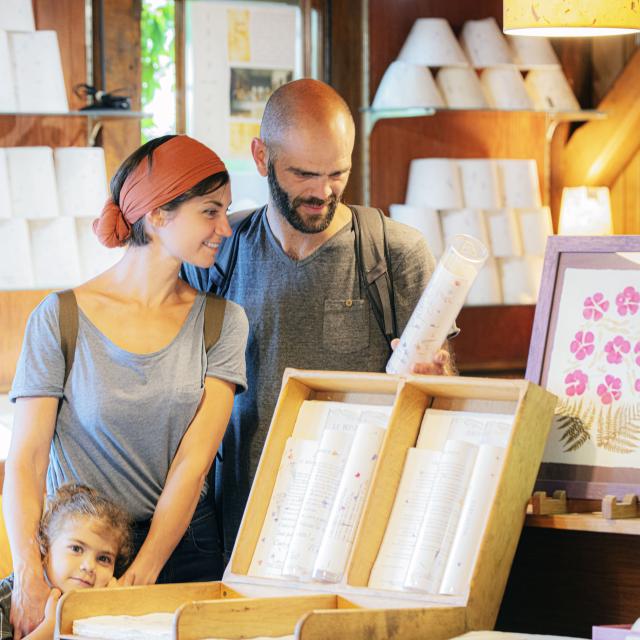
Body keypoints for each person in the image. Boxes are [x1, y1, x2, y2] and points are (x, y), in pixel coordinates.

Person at [182, 78, 455, 564]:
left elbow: (446, 395)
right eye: (305, 174)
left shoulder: (396, 255)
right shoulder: (218, 252)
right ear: (262, 157)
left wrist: (436, 382)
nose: (323, 192)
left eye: (338, 173)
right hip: (239, 531)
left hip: (361, 533)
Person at [4, 134, 249, 638]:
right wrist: (29, 572)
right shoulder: (60, 317)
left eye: (225, 210)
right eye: (210, 211)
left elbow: (193, 462)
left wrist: (143, 573)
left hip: (184, 552)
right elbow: (26, 459)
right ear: (158, 214)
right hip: (78, 558)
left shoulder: (223, 322)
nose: (225, 227)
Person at [0, 484, 132, 640]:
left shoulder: (99, 604)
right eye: (76, 549)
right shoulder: (6, 599)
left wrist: (112, 613)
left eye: (103, 559)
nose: (89, 566)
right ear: (45, 548)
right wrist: (51, 628)